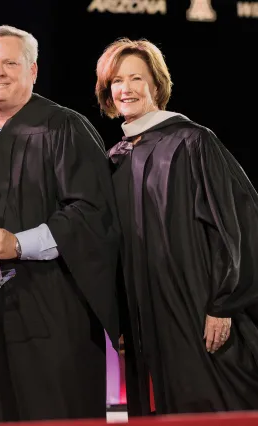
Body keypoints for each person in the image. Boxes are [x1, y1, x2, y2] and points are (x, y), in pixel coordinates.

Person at [0, 25, 120, 422]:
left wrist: (18, 244)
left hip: (52, 309)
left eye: (10, 62)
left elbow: (91, 212)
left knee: (56, 408)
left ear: (33, 70)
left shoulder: (64, 128)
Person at [96, 37, 258, 415]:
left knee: (208, 403)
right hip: (143, 315)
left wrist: (223, 304)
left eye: (136, 78)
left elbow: (237, 224)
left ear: (156, 85)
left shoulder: (193, 142)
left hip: (195, 307)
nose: (126, 89)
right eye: (116, 81)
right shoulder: (114, 159)